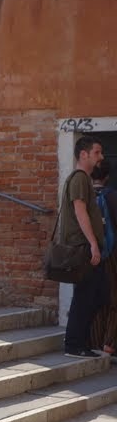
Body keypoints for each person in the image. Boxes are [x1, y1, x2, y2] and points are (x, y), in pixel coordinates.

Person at [62, 136, 107, 358]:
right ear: (84, 154)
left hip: (87, 246)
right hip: (83, 247)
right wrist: (92, 245)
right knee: (85, 295)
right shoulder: (80, 178)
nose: (101, 157)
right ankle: (74, 344)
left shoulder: (84, 180)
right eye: (97, 152)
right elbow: (80, 211)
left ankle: (82, 342)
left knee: (95, 294)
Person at [89, 160, 117, 354]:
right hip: (113, 254)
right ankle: (110, 343)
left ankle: (95, 342)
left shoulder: (85, 197)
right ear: (107, 176)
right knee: (114, 298)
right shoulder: (113, 197)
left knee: (95, 297)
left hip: (90, 254)